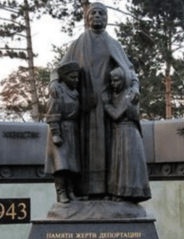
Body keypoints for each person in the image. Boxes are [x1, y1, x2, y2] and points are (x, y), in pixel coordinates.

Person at [50, 2, 140, 198]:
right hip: (85, 107)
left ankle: (110, 190)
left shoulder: (114, 44)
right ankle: (81, 191)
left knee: (109, 150)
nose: (97, 16)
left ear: (106, 18)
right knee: (82, 151)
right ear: (87, 18)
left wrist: (134, 87)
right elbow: (59, 69)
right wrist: (54, 82)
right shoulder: (78, 43)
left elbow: (130, 71)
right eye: (93, 13)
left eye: (101, 13)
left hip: (108, 107)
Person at [102, 67, 151, 203]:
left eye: (116, 80)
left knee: (126, 165)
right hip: (118, 133)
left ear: (123, 81)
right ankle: (117, 192)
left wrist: (106, 104)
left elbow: (116, 115)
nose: (113, 84)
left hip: (128, 134)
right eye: (111, 81)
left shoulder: (130, 95)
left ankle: (127, 194)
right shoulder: (116, 94)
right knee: (118, 165)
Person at [44, 61, 81, 203]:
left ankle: (71, 192)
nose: (76, 80)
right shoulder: (57, 91)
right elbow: (52, 114)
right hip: (60, 130)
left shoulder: (74, 92)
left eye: (77, 77)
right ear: (64, 77)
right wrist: (55, 134)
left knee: (72, 164)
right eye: (73, 77)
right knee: (61, 165)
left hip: (72, 129)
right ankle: (61, 193)